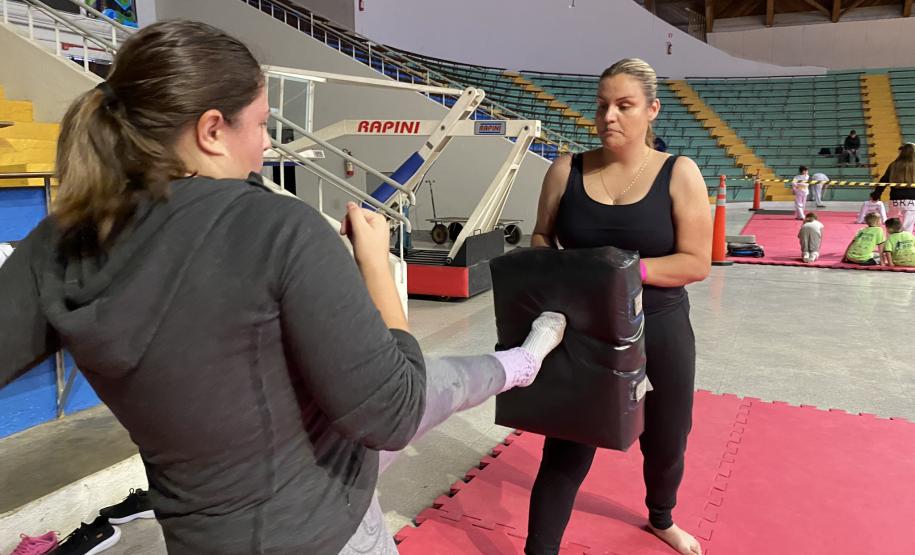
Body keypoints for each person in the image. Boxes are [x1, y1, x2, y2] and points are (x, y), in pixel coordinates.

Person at [0, 21, 569, 555]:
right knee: (427, 384)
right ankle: (519, 364)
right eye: (262, 123)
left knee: (419, 387)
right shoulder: (273, 227)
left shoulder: (60, 241)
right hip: (323, 534)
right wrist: (375, 268)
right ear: (213, 130)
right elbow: (394, 412)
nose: (267, 143)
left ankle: (517, 363)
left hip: (202, 539)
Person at [528, 58, 711, 555]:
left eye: (624, 105)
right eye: (603, 105)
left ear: (651, 110)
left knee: (668, 433)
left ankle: (661, 517)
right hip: (585, 327)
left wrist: (623, 273)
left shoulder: (680, 172)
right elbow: (542, 236)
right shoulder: (565, 169)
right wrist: (547, 269)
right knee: (567, 441)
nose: (609, 116)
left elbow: (696, 262)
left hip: (661, 323)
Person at [874, 143, 915, 233]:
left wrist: (876, 195)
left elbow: (883, 180)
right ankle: (905, 245)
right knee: (908, 227)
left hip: (895, 199)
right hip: (911, 200)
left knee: (892, 224)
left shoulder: (893, 165)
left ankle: (890, 245)